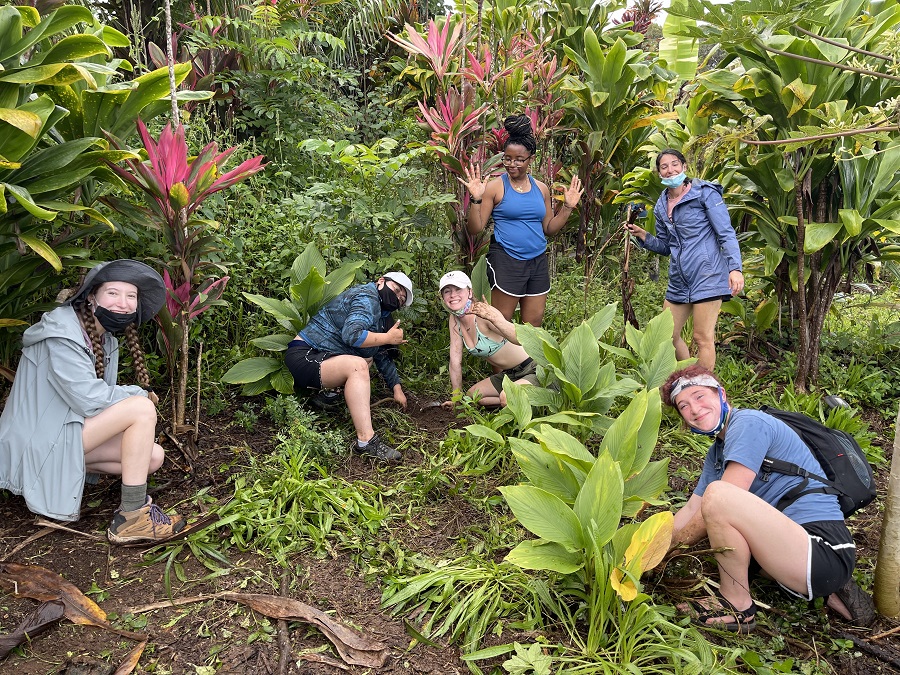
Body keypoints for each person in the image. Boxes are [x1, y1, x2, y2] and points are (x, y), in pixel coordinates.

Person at [662, 365, 875, 633]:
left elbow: (721, 500)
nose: (694, 408)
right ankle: (825, 589)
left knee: (719, 495)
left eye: (700, 396)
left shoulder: (749, 423)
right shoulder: (717, 453)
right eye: (683, 405)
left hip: (820, 545)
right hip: (788, 547)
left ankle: (738, 608)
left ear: (722, 395)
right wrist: (655, 544)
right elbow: (692, 507)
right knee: (722, 515)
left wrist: (664, 553)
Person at [0, 259, 186, 543]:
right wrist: (137, 393)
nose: (123, 303)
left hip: (62, 432)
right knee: (141, 408)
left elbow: (93, 404)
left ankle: (61, 475)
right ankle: (133, 516)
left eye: (131, 296)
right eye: (113, 293)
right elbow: (88, 400)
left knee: (152, 457)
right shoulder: (61, 333)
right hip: (35, 441)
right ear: (91, 297)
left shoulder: (104, 339)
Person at [624, 149, 743, 370]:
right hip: (679, 279)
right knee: (667, 335)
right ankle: (686, 378)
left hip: (708, 274)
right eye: (664, 166)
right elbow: (667, 246)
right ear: (658, 172)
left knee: (701, 337)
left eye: (675, 164)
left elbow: (725, 233)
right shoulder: (660, 205)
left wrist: (735, 268)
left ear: (684, 167)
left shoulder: (705, 193)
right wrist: (644, 236)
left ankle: (703, 388)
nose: (670, 170)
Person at [461, 114, 583, 327]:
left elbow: (549, 228)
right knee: (500, 323)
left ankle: (527, 361)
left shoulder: (542, 188)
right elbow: (475, 228)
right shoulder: (496, 187)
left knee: (532, 325)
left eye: (519, 160)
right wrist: (475, 199)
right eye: (507, 159)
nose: (512, 164)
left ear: (531, 159)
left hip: (537, 261)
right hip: (507, 259)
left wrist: (568, 207)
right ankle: (500, 361)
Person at [285, 272, 414, 462]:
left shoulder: (381, 315)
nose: (397, 298)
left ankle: (327, 397)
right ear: (381, 281)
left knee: (367, 356)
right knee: (358, 366)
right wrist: (388, 338)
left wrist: (396, 388)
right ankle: (367, 441)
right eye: (396, 291)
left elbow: (380, 354)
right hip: (306, 355)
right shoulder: (367, 297)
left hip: (323, 357)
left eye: (401, 299)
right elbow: (351, 335)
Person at [438, 271, 539, 408]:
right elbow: (455, 361)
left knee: (506, 396)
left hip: (533, 368)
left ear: (469, 292)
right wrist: (457, 399)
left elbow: (521, 339)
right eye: (447, 291)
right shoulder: (455, 319)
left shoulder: (483, 313)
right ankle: (519, 399)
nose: (452, 295)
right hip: (510, 374)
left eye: (458, 289)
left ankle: (544, 394)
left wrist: (495, 319)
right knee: (472, 396)